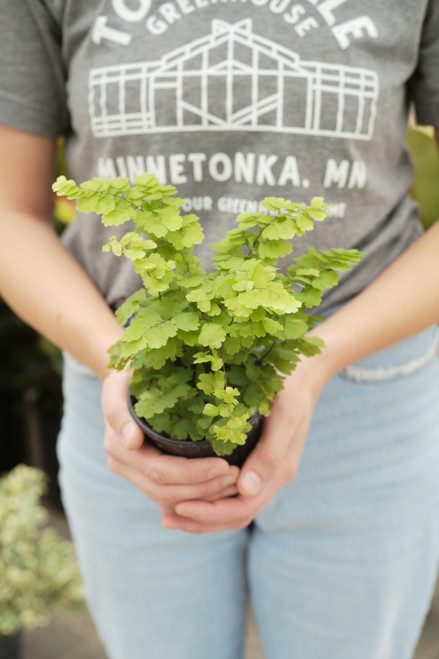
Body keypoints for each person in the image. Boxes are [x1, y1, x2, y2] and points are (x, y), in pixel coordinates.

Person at [1, 2, 439, 658]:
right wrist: (118, 360)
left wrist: (317, 359)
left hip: (363, 385)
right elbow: (11, 215)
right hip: (129, 387)